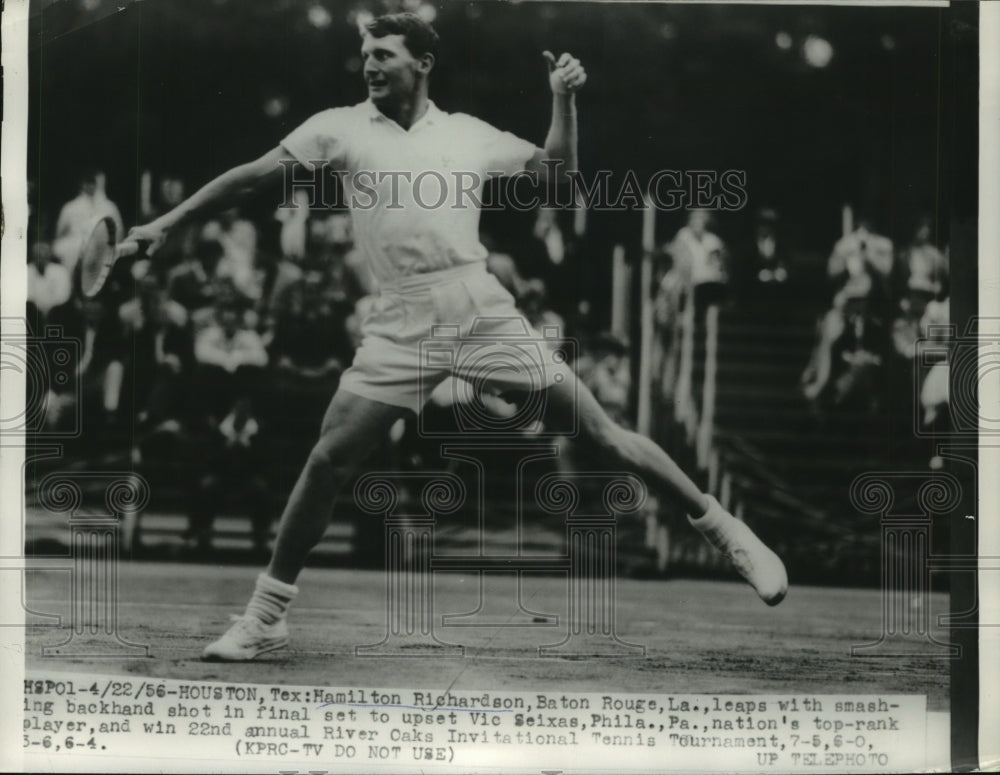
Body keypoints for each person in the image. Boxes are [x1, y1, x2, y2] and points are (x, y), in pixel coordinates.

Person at [128, 12, 787, 662]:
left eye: (384, 53)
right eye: (365, 54)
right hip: (399, 321)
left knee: (603, 434)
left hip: (477, 306)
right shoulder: (338, 127)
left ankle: (723, 528)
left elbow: (557, 177)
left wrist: (562, 101)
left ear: (422, 63)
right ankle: (265, 618)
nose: (370, 64)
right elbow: (251, 174)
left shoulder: (469, 134)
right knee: (328, 460)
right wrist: (166, 222)